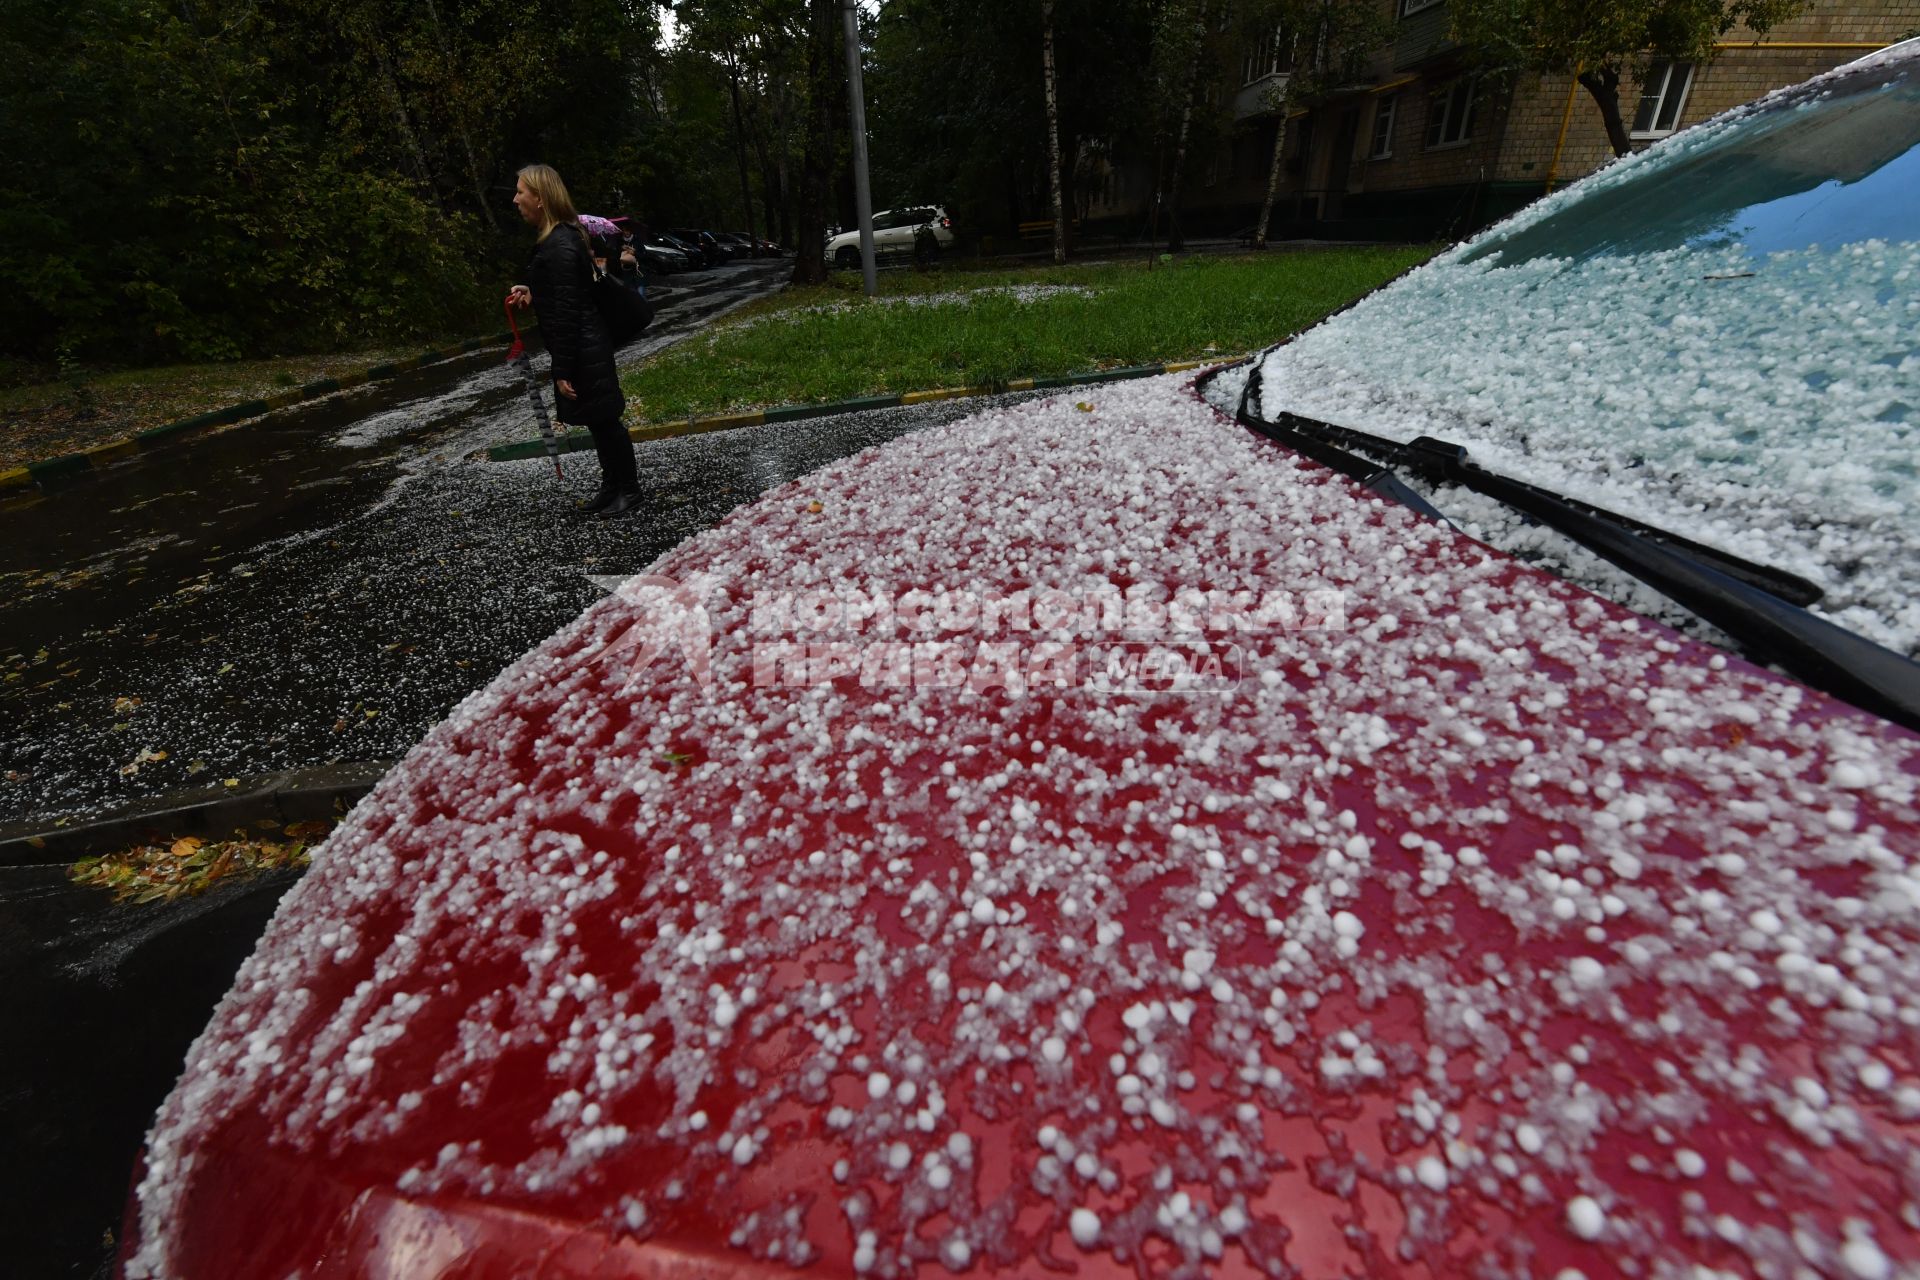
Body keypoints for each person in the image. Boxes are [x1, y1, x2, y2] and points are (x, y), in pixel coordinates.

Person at [505, 164, 641, 519]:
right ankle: (612, 488)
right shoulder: (560, 238)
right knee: (600, 421)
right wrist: (534, 292)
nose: (516, 198)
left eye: (521, 191)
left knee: (608, 422)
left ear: (540, 197)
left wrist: (561, 368)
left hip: (584, 346)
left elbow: (569, 311)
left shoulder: (560, 243)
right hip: (584, 344)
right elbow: (567, 293)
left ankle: (629, 490)